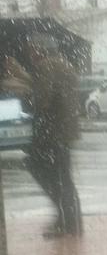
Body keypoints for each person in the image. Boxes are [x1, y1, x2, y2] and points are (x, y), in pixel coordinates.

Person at [2, 36, 82, 238]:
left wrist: (22, 94)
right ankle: (71, 222)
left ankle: (65, 221)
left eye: (32, 49)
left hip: (50, 132)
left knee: (40, 168)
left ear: (41, 50)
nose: (30, 54)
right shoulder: (65, 64)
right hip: (66, 130)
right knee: (64, 177)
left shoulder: (46, 66)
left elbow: (42, 99)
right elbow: (49, 88)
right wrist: (23, 75)